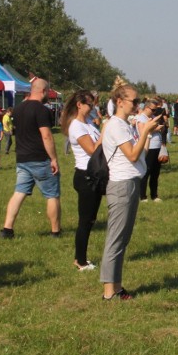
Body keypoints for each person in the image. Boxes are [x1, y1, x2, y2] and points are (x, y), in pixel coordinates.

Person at [100, 84, 161, 300]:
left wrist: (146, 133)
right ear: (119, 102)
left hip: (132, 182)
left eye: (138, 102)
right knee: (116, 239)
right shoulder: (115, 125)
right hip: (122, 185)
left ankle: (116, 286)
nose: (138, 105)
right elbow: (132, 155)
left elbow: (140, 154)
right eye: (134, 101)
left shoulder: (126, 124)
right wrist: (144, 131)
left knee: (123, 238)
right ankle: (109, 292)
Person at [0, 78, 61, 239]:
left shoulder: (18, 109)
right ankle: (55, 231)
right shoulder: (42, 110)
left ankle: (7, 228)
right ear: (44, 91)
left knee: (19, 192)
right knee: (52, 194)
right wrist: (53, 159)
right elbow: (46, 135)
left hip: (22, 158)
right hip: (40, 158)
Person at [61, 90, 102, 271]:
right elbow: (93, 149)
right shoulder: (76, 126)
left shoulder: (88, 124)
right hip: (85, 176)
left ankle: (82, 258)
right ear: (79, 105)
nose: (92, 107)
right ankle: (80, 260)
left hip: (95, 175)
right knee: (85, 221)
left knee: (91, 219)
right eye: (89, 105)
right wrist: (106, 133)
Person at [136, 97, 165, 202]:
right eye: (153, 110)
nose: (154, 112)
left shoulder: (152, 117)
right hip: (148, 147)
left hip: (157, 147)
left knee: (155, 173)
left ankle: (154, 195)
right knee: (146, 171)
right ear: (146, 108)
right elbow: (143, 131)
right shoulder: (141, 118)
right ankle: (142, 195)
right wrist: (155, 128)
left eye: (155, 110)